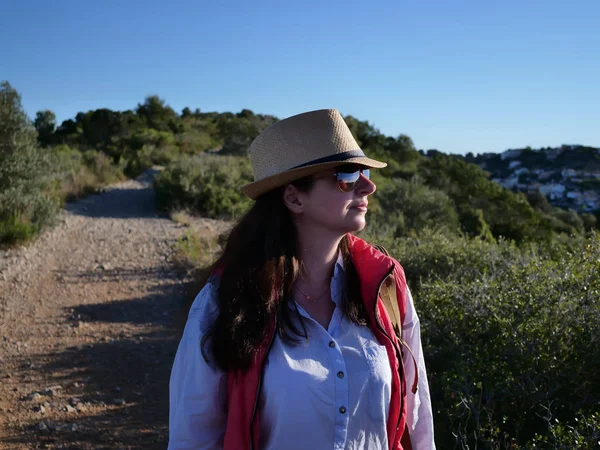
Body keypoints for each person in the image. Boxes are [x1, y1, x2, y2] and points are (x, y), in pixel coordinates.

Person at [168, 109, 435, 449]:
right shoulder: (227, 299)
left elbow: (418, 417)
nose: (369, 185)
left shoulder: (385, 286)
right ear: (294, 197)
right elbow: (193, 436)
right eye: (347, 175)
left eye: (363, 171)